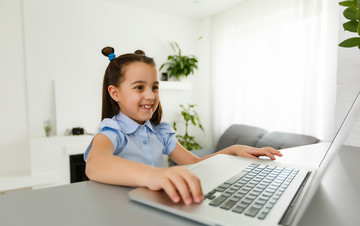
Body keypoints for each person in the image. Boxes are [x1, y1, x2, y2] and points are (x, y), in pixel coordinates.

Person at [84, 47, 283, 205]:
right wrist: (155, 175)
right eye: (139, 87)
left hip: (153, 207)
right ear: (114, 93)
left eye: (154, 87)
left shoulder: (159, 132)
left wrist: (232, 150)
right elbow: (95, 164)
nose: (150, 96)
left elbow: (196, 165)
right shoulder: (112, 130)